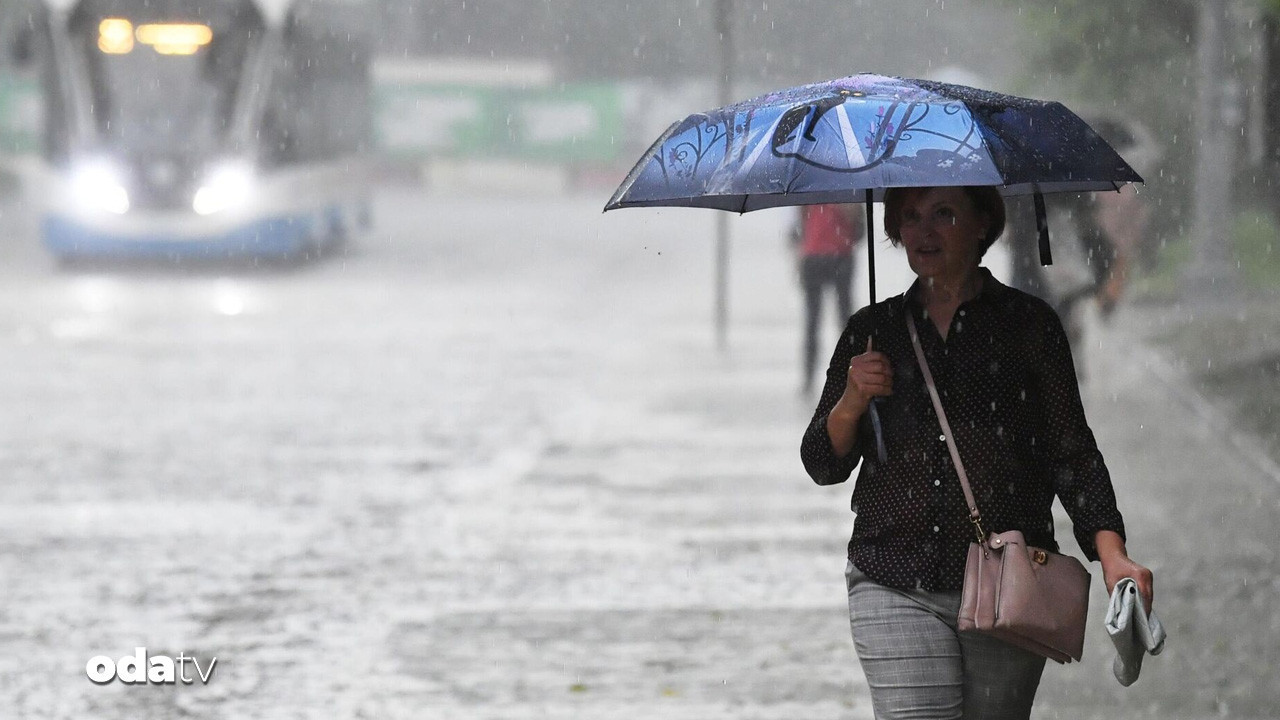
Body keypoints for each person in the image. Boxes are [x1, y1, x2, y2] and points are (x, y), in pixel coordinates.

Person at [800, 186, 1154, 719]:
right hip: (892, 575)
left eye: (944, 214)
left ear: (983, 224)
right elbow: (822, 463)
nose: (924, 230)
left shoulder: (1030, 326)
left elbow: (1071, 450)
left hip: (1008, 582)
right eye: (911, 216)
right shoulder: (872, 332)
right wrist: (852, 399)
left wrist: (1111, 552)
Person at [791, 203, 864, 395]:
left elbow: (859, 232)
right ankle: (809, 378)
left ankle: (848, 374)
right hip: (817, 256)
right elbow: (798, 227)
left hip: (838, 255)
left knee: (844, 322)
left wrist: (851, 214)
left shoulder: (848, 191)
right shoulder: (846, 185)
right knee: (814, 322)